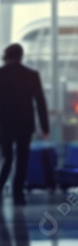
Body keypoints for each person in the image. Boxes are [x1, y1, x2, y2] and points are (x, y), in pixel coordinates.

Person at [0, 43, 50, 206]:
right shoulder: (31, 75)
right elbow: (40, 102)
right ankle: (18, 192)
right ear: (21, 56)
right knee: (23, 158)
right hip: (25, 123)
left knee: (7, 157)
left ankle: (1, 186)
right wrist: (45, 127)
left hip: (4, 124)